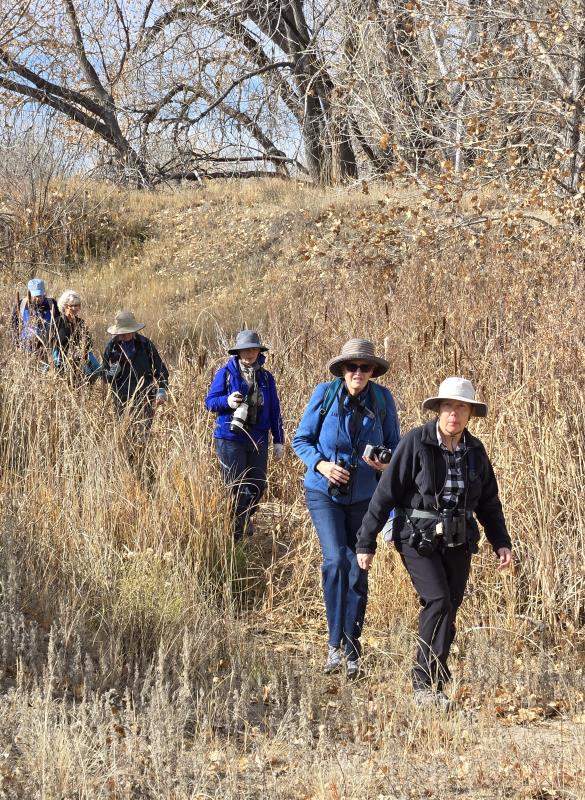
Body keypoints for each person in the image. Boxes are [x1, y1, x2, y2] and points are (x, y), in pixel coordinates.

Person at [355, 377, 512, 707]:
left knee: (450, 605)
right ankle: (423, 684)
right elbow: (385, 494)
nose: (454, 414)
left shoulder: (475, 451)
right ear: (438, 410)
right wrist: (366, 541)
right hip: (417, 536)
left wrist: (501, 541)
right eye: (448, 406)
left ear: (470, 414)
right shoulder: (416, 442)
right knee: (438, 600)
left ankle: (436, 676)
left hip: (459, 537)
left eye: (461, 407)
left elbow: (489, 502)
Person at [292, 339, 400, 678]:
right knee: (336, 561)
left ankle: (352, 648)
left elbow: (396, 447)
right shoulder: (324, 394)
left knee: (358, 567)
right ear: (342, 369)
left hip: (365, 496)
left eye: (364, 367)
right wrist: (322, 465)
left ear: (372, 371)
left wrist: (385, 464)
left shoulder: (382, 400)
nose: (358, 372)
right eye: (352, 366)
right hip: (324, 493)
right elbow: (301, 440)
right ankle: (333, 645)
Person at [205, 330, 284, 540]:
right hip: (230, 438)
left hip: (258, 438)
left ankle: (243, 517)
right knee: (236, 487)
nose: (249, 353)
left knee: (257, 485)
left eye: (253, 349)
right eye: (245, 350)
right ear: (238, 352)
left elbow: (275, 410)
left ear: (259, 351)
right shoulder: (225, 373)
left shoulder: (266, 377)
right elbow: (209, 402)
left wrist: (279, 440)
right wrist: (227, 401)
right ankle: (235, 534)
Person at [102, 310, 169, 471]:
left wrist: (161, 390)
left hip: (145, 397)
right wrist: (112, 373)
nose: (124, 335)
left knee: (144, 434)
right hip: (121, 399)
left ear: (134, 330)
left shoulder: (145, 345)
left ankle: (145, 467)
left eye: (127, 332)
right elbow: (104, 375)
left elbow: (160, 370)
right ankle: (128, 468)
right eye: (121, 333)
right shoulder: (112, 347)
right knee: (126, 435)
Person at [53, 290, 100, 382]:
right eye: (71, 305)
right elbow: (50, 343)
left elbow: (88, 342)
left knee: (97, 369)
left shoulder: (81, 323)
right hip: (62, 356)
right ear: (65, 306)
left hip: (80, 356)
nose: (74, 308)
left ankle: (88, 386)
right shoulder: (57, 322)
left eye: (77, 305)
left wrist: (82, 351)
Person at [11, 278, 59, 354]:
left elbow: (58, 324)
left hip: (47, 346)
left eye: (40, 295)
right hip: (26, 347)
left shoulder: (52, 303)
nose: (38, 299)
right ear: (29, 294)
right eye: (35, 296)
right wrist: (17, 345)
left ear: (44, 293)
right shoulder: (21, 305)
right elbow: (14, 326)